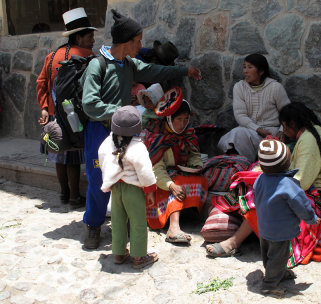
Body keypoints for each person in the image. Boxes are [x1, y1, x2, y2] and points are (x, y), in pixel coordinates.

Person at [80, 9, 202, 249]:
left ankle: (122, 226)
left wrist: (184, 70)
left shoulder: (129, 63)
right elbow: (89, 103)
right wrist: (120, 112)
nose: (141, 45)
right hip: (99, 131)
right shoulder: (97, 65)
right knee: (98, 180)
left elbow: (156, 71)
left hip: (123, 132)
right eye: (137, 41)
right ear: (126, 42)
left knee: (126, 179)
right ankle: (93, 224)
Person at [206, 102, 321, 265]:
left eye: (285, 127)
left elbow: (301, 182)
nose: (283, 131)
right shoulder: (311, 133)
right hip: (316, 190)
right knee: (258, 183)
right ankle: (240, 231)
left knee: (267, 198)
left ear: (292, 124)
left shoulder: (309, 139)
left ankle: (233, 242)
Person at [36, 7, 96, 207]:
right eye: (89, 36)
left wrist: (44, 107)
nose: (93, 40)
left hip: (54, 115)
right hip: (73, 116)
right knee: (71, 156)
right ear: (78, 38)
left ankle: (63, 194)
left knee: (59, 156)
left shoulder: (52, 55)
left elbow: (41, 82)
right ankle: (74, 197)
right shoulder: (86, 55)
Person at [253, 139, 320, 296]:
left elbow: (256, 197)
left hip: (264, 226)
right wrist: (311, 219)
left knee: (269, 253)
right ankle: (269, 284)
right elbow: (302, 205)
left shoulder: (260, 179)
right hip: (280, 230)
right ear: (287, 163)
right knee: (279, 255)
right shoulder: (289, 184)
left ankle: (277, 272)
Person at [144, 88, 208, 244]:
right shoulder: (157, 137)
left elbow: (194, 153)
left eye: (186, 119)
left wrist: (196, 165)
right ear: (169, 119)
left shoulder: (187, 133)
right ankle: (173, 228)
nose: (183, 124)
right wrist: (171, 185)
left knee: (201, 181)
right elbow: (155, 169)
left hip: (177, 174)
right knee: (178, 183)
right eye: (179, 119)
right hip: (157, 182)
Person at [98, 106, 158, 269]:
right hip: (134, 190)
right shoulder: (138, 147)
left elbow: (102, 158)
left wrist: (109, 178)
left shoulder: (107, 143)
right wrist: (150, 190)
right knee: (138, 221)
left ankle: (118, 253)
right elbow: (145, 171)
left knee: (117, 221)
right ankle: (139, 256)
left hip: (117, 189)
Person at [217, 53, 290, 162]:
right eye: (244, 67)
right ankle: (239, 165)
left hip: (271, 132)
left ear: (261, 71)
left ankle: (242, 165)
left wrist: (281, 131)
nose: (245, 71)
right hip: (249, 130)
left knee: (237, 135)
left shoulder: (275, 88)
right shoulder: (239, 87)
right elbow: (240, 115)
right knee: (229, 139)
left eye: (250, 67)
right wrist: (257, 129)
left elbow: (287, 112)